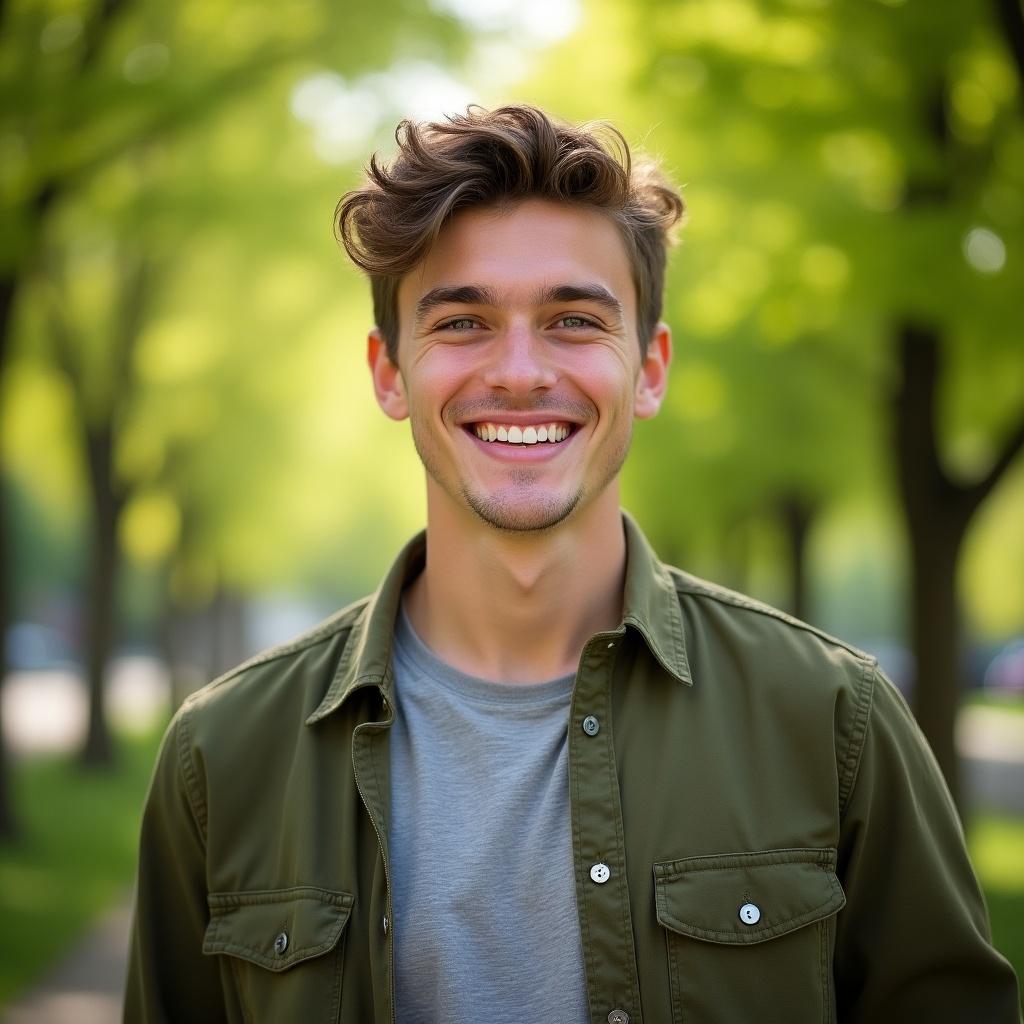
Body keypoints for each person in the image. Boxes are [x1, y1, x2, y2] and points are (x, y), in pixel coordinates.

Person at [124, 104, 1020, 1024]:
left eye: (574, 320)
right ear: (390, 372)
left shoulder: (837, 722)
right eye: (463, 322)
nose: (519, 371)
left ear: (651, 368)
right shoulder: (221, 755)